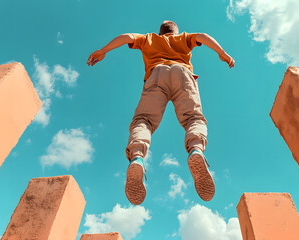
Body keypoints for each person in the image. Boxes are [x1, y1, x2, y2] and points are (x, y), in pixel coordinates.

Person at [87, 20, 235, 205]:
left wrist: (103, 50)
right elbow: (203, 37)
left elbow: (127, 37)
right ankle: (196, 149)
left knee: (143, 121)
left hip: (156, 75)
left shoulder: (149, 38)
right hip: (183, 74)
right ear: (175, 31)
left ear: (161, 31)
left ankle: (137, 158)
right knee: (193, 118)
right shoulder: (184, 38)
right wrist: (222, 53)